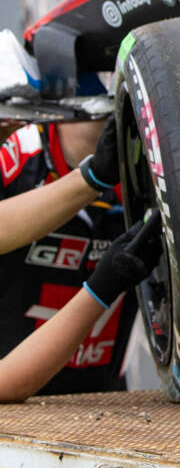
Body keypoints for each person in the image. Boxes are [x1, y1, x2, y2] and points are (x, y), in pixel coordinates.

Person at [0, 117, 159, 398]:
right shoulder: (19, 159)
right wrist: (101, 290)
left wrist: (91, 177)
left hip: (105, 402)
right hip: (21, 412)